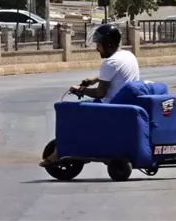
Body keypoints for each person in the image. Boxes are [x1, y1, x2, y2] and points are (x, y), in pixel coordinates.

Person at [39, 23, 139, 166]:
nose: (96, 48)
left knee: (70, 113)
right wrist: (95, 79)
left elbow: (100, 93)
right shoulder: (128, 56)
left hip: (110, 107)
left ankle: (59, 153)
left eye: (99, 44)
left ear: (108, 44)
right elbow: (118, 75)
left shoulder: (109, 63)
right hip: (126, 103)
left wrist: (80, 89)